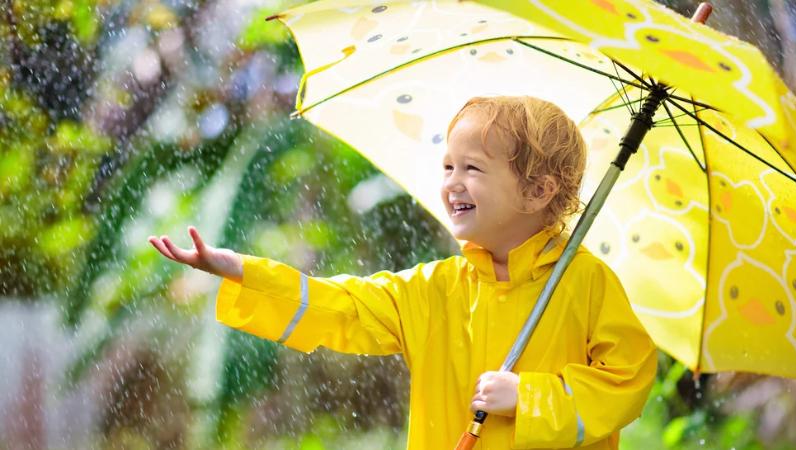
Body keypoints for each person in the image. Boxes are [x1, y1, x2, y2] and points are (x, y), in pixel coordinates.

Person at [148, 96, 657, 449]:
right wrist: (243, 271)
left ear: (537, 191)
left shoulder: (587, 284)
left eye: (473, 168)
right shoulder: (435, 288)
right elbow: (344, 306)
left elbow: (626, 381)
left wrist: (530, 398)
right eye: (448, 167)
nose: (452, 183)